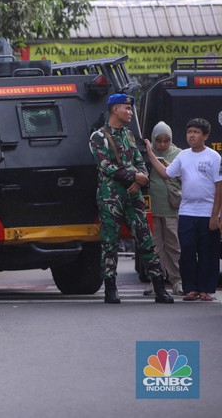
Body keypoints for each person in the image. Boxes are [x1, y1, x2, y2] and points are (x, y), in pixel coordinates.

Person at [89, 93, 174, 304]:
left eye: (130, 108)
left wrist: (141, 178)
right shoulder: (98, 137)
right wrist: (132, 176)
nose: (130, 112)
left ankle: (159, 288)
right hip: (111, 197)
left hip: (133, 194)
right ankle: (110, 289)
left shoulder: (128, 134)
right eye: (126, 108)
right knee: (110, 242)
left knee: (146, 240)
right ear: (114, 110)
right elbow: (105, 166)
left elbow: (139, 159)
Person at [146, 118, 222, 302]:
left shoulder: (214, 157)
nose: (192, 135)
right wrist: (150, 154)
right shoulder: (183, 156)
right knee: (186, 250)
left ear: (205, 136)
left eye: (196, 132)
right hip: (187, 211)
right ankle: (191, 288)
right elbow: (166, 173)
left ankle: (206, 290)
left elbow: (219, 186)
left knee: (207, 252)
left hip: (207, 213)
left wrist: (215, 216)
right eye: (189, 132)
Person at [143, 122, 183, 296]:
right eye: (158, 140)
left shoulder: (179, 154)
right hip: (151, 209)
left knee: (174, 246)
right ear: (153, 139)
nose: (162, 144)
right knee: (154, 247)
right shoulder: (145, 154)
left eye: (166, 140)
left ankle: (177, 281)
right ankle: (155, 280)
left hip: (171, 209)